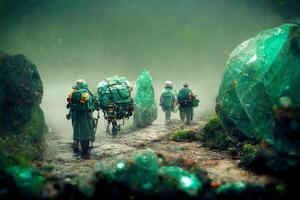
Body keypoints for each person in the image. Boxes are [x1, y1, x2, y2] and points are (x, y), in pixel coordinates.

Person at [66, 79, 96, 158]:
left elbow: (70, 105)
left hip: (75, 115)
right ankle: (85, 152)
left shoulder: (73, 93)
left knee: (75, 128)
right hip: (85, 114)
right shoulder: (88, 93)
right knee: (86, 130)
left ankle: (76, 142)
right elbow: (93, 104)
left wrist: (69, 115)